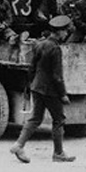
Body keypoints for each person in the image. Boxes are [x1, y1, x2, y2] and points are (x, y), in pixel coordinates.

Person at [9, 15, 76, 163]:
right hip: (50, 90)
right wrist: (63, 94)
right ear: (58, 32)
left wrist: (32, 83)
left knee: (35, 118)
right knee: (59, 119)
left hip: (37, 87)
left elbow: (32, 67)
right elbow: (57, 76)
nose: (66, 35)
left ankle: (19, 144)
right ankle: (58, 153)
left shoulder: (40, 44)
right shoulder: (56, 49)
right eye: (65, 32)